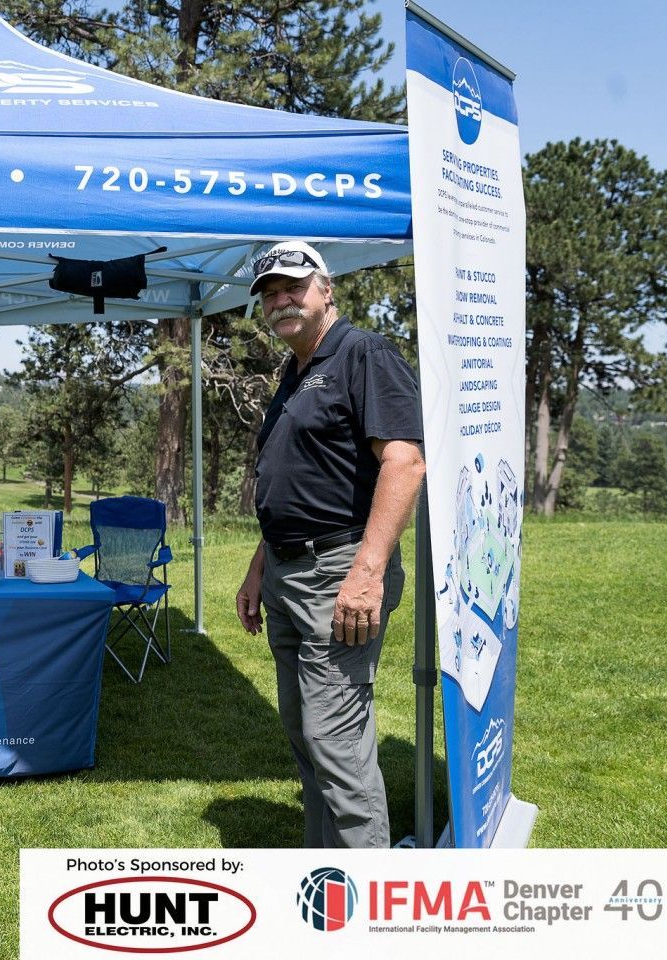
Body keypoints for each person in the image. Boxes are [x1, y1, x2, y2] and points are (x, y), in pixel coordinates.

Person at [235, 240, 426, 848]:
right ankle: (325, 881)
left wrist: (367, 574)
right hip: (287, 574)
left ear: (326, 289)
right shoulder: (294, 372)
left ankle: (370, 910)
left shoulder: (362, 353)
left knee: (336, 743)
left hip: (339, 572)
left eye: (292, 286)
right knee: (303, 734)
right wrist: (257, 569)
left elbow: (405, 462)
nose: (280, 300)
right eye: (268, 293)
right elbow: (295, 478)